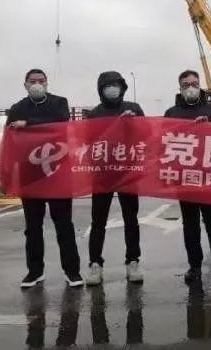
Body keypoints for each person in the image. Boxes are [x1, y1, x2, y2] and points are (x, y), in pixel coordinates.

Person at [5, 68, 83, 289]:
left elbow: (58, 124)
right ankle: (34, 271)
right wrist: (7, 174)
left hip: (58, 172)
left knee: (64, 225)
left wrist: (28, 124)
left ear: (47, 83)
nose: (37, 84)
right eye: (33, 81)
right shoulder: (17, 108)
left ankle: (72, 271)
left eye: (41, 80)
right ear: (25, 84)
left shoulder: (59, 103)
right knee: (33, 227)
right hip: (30, 174)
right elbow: (10, 140)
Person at [164, 69, 211, 287]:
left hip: (208, 177)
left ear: (200, 85)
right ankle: (194, 267)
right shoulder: (171, 113)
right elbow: (165, 141)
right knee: (190, 225)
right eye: (186, 84)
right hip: (185, 177)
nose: (191, 88)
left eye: (194, 83)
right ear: (180, 88)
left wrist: (209, 126)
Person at [85, 71, 145, 286]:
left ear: (122, 87)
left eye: (115, 85)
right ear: (101, 89)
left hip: (127, 172)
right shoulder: (94, 114)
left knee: (131, 219)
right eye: (107, 85)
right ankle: (95, 264)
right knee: (98, 221)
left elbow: (145, 136)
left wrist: (132, 123)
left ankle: (133, 261)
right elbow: (89, 142)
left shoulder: (134, 108)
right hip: (103, 174)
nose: (112, 88)